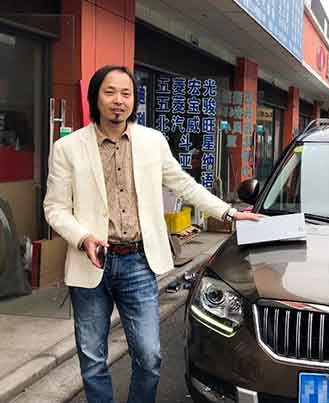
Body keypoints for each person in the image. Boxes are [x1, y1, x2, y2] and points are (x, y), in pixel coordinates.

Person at [43, 65, 263, 403]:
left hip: (137, 261)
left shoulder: (152, 142)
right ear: (95, 97)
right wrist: (83, 237)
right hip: (91, 262)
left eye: (126, 93)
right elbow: (55, 208)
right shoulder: (68, 148)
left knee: (149, 357)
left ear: (134, 100)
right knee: (92, 359)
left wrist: (229, 212)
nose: (118, 100)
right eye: (110, 92)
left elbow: (184, 185)